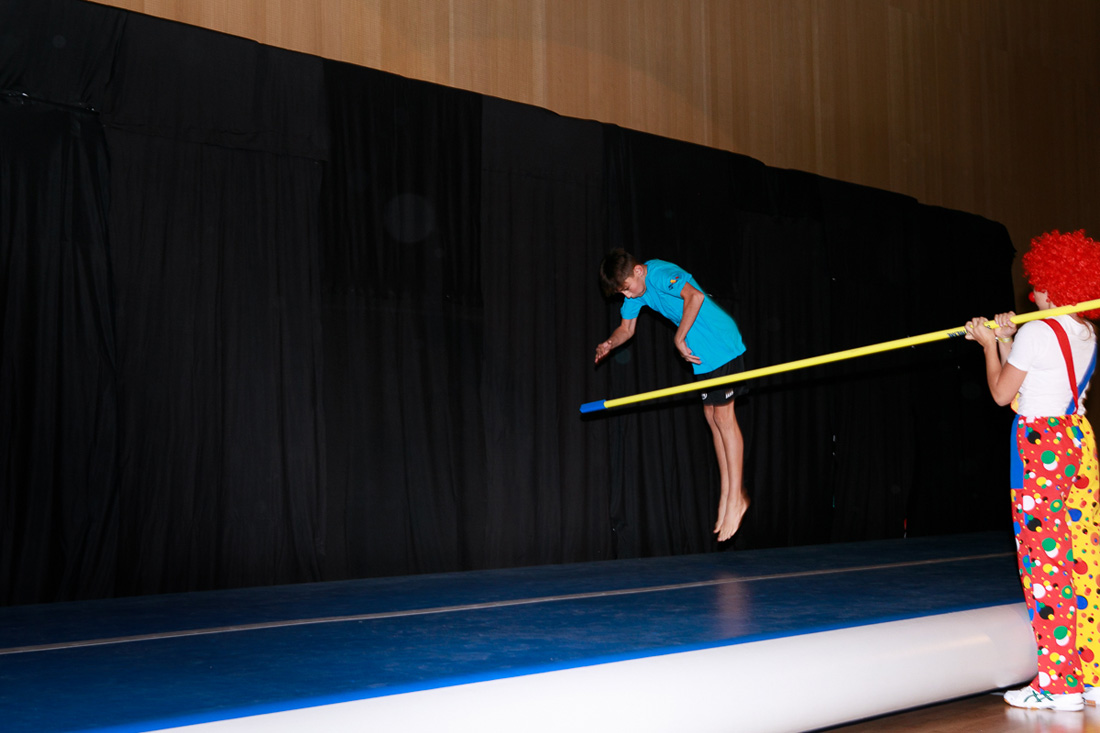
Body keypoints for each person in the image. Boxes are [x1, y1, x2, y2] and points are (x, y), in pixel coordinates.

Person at [965, 229, 1100, 712]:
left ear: (1052, 282)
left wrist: (987, 345)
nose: (1032, 291)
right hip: (1077, 440)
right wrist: (1006, 339)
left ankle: (1058, 686)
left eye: (1037, 283)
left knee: (1045, 563)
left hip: (1041, 445)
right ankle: (1090, 677)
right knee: (1081, 558)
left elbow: (1003, 395)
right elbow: (1032, 388)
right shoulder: (1084, 333)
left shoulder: (1039, 332)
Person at [595, 249, 748, 542]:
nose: (626, 295)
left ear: (638, 270)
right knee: (712, 418)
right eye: (621, 293)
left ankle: (736, 497)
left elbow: (695, 297)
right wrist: (609, 344)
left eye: (626, 288)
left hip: (720, 343)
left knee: (724, 418)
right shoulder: (636, 291)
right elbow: (626, 329)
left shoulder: (659, 274)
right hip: (702, 353)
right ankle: (727, 492)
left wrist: (679, 337)